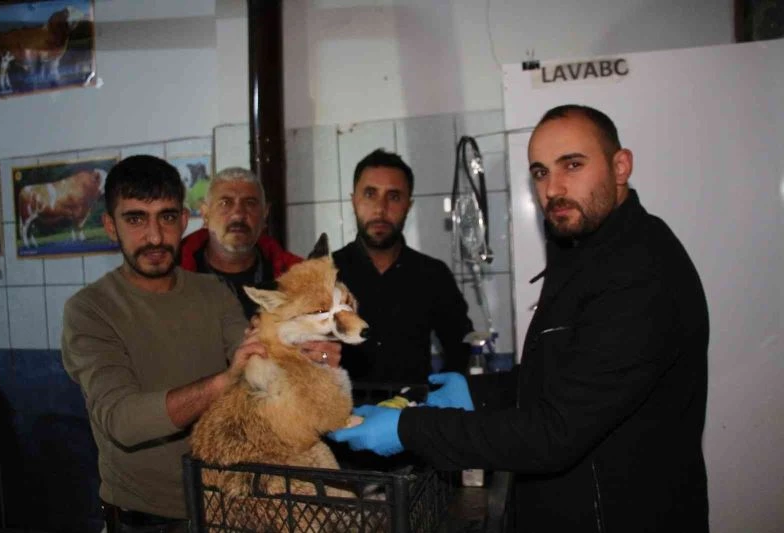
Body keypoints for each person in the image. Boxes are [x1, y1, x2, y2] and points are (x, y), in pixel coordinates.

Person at [330, 105, 710, 532]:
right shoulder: (585, 254)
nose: (553, 188)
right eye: (541, 172)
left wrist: (410, 429)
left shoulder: (640, 272)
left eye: (573, 165)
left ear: (620, 166)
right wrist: (479, 392)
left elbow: (554, 432)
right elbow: (560, 377)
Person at [61, 155, 263, 531]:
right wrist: (224, 382)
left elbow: (256, 361)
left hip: (226, 510)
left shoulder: (214, 292)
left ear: (184, 221)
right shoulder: (89, 310)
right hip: (141, 522)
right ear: (110, 226)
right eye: (136, 219)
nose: (154, 237)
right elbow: (123, 421)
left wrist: (307, 344)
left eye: (166, 217)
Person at [332, 148, 474, 384]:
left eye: (394, 197)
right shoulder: (327, 273)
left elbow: (461, 348)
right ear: (354, 201)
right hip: (341, 406)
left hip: (414, 406)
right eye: (370, 194)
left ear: (408, 205)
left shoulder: (432, 275)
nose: (381, 208)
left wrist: (440, 396)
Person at [178, 166, 341, 367]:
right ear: (205, 214)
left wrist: (322, 356)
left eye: (250, 203)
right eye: (225, 203)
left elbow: (331, 348)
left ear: (265, 214)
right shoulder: (173, 273)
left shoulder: (298, 277)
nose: (238, 214)